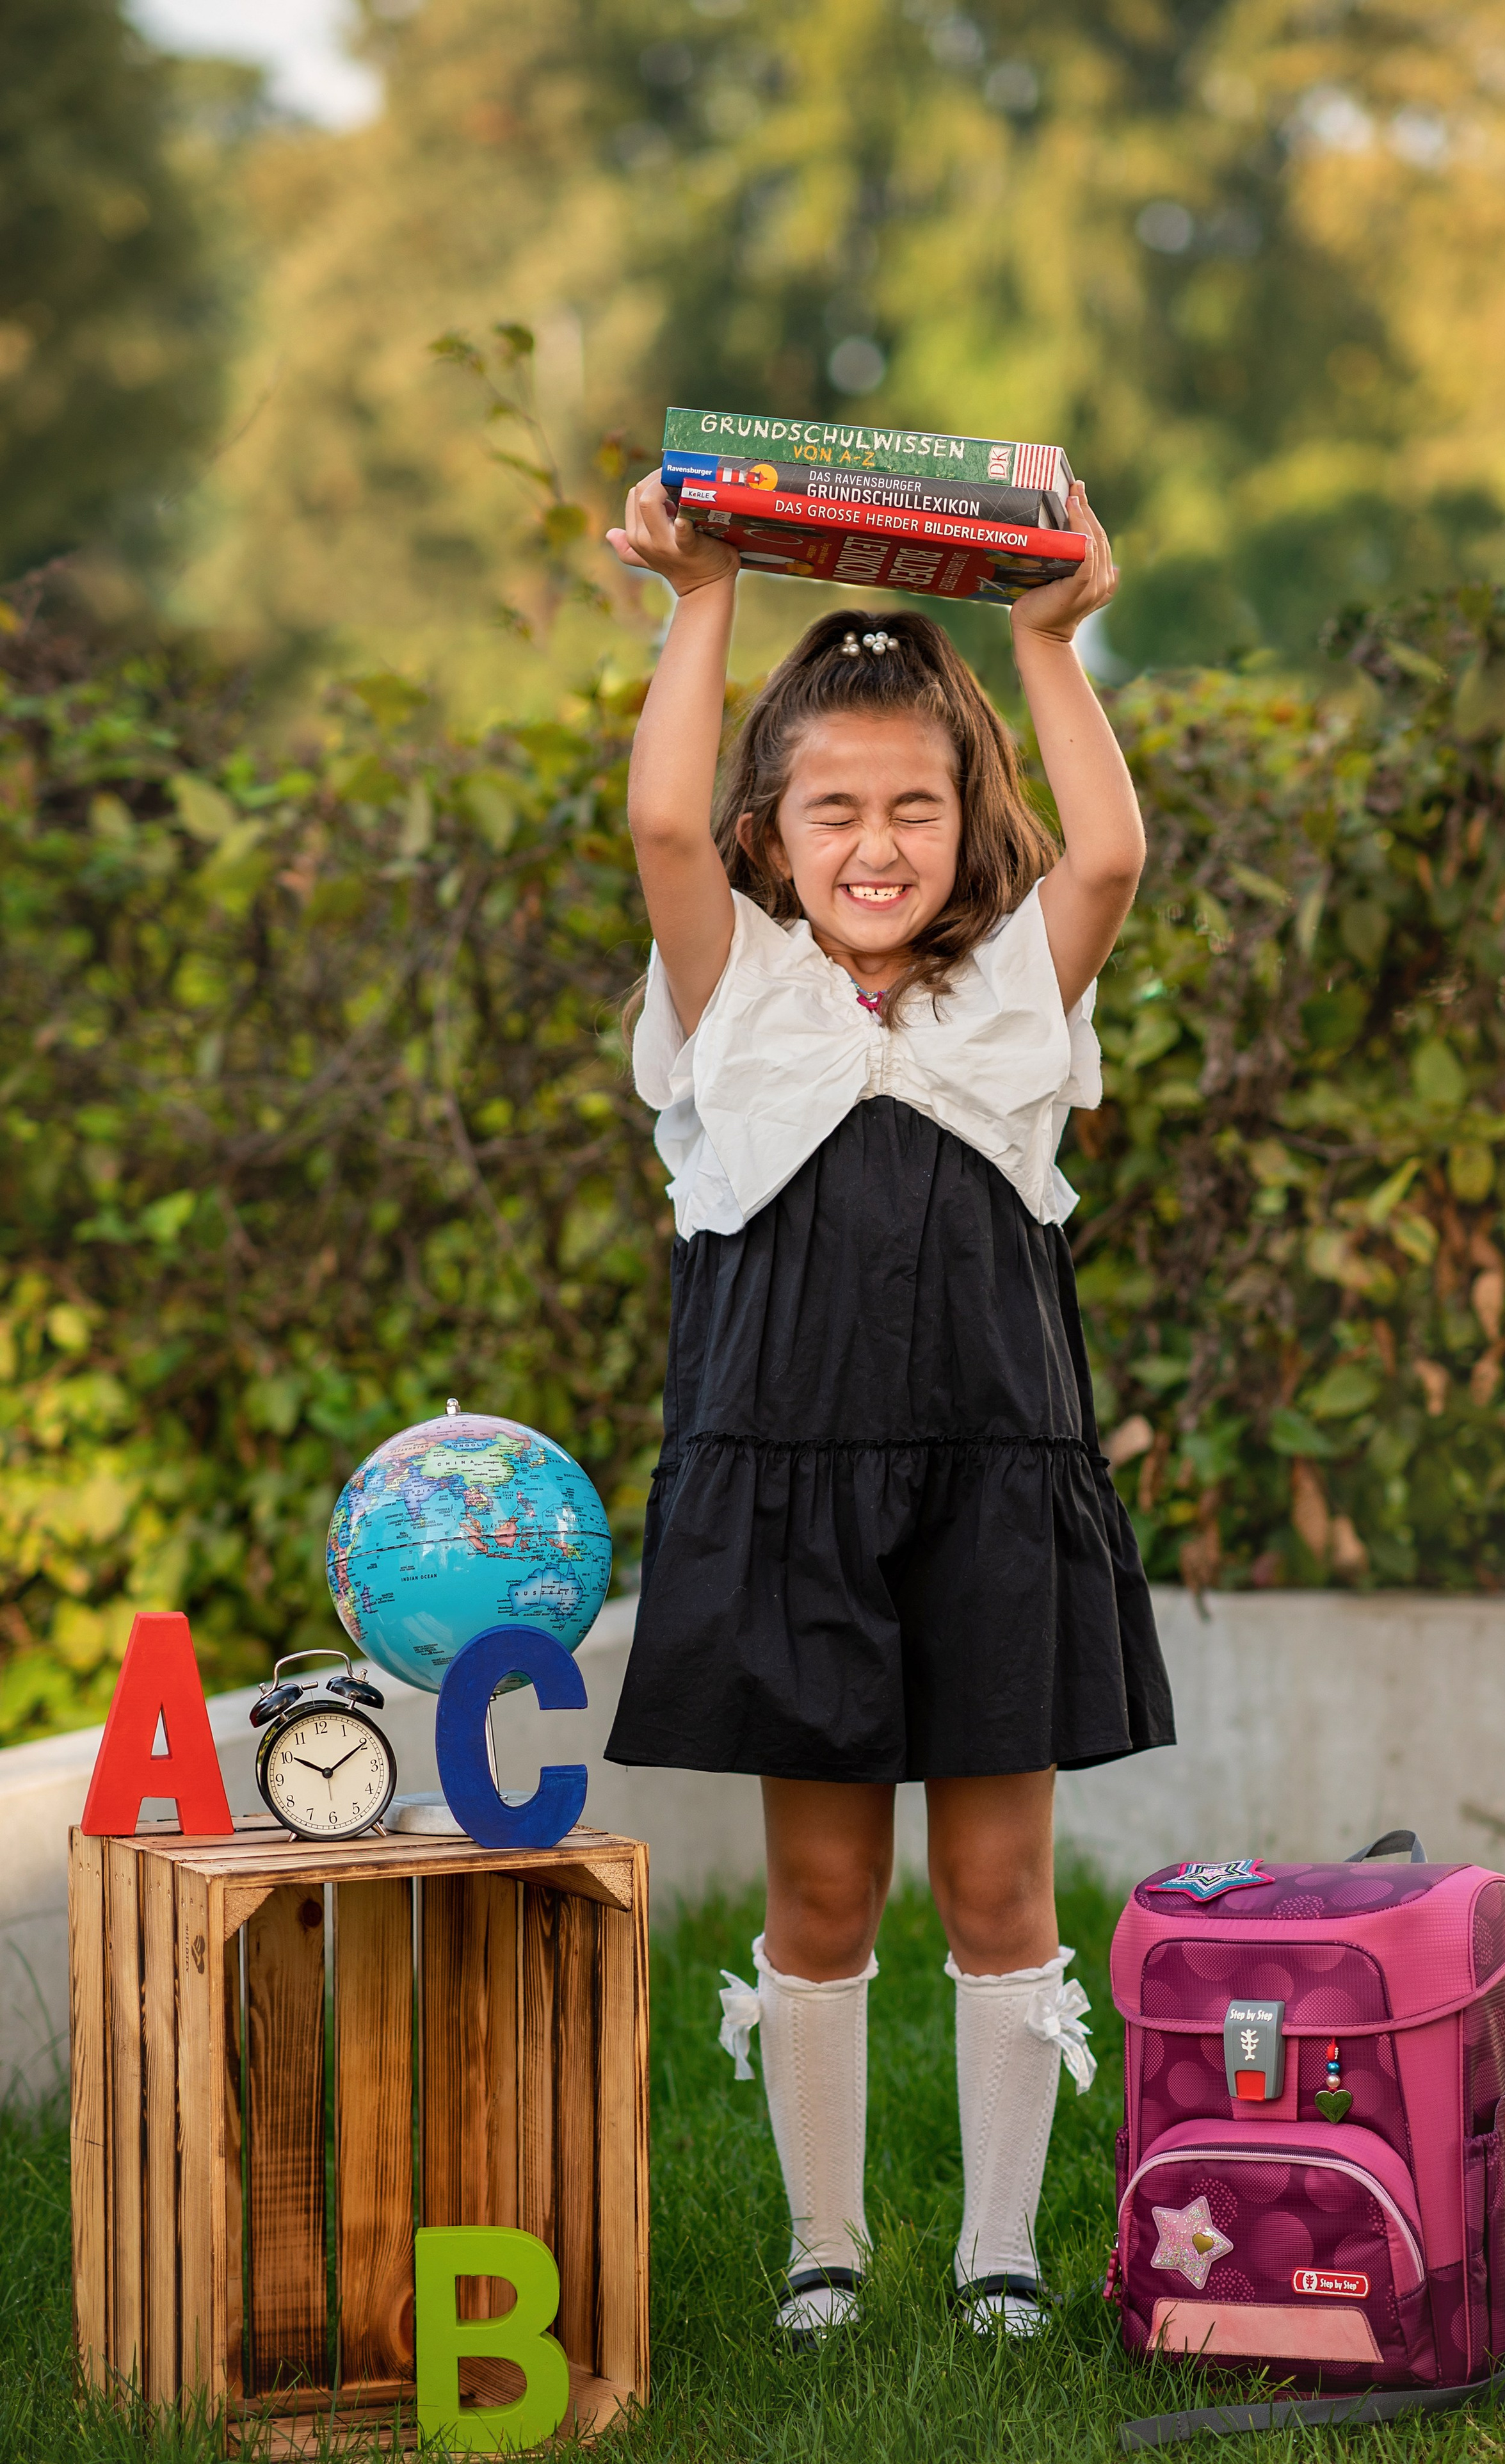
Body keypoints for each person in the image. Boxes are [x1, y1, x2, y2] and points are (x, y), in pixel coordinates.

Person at [602, 470, 1174, 2344]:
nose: (877, 843)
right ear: (778, 835)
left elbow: (1108, 860)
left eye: (914, 807)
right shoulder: (736, 1001)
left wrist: (1047, 637)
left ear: (964, 819)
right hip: (792, 1510)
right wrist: (709, 591)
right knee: (826, 1892)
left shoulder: (1012, 1009)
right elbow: (662, 816)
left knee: (1001, 1884)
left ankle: (1000, 2251)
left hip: (990, 1499)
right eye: (834, 810)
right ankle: (824, 2248)